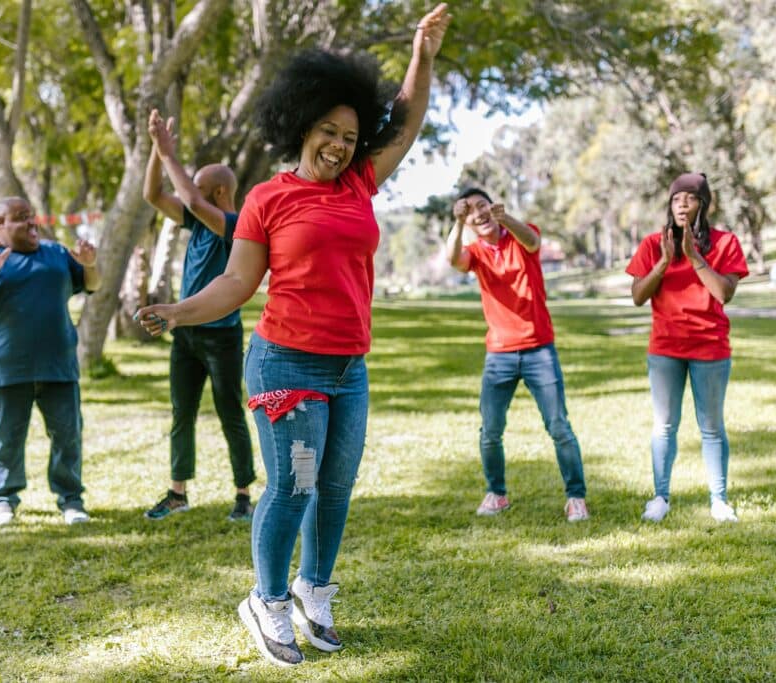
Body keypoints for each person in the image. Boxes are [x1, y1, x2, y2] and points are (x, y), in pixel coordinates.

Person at [136, 4, 451, 667]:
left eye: (349, 136)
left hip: (348, 370)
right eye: (328, 131)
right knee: (295, 485)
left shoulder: (361, 182)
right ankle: (268, 600)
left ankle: (315, 590)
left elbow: (409, 118)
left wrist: (422, 53)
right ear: (302, 126)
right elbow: (236, 284)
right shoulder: (266, 199)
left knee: (334, 488)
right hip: (288, 367)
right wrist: (178, 309)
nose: (339, 144)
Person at [0, 197, 101, 526]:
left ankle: (71, 498)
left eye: (32, 216)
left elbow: (92, 285)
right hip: (7, 369)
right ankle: (4, 499)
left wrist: (90, 265)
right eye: (22, 218)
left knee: (68, 435)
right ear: (0, 224)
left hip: (58, 365)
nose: (32, 223)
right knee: (6, 438)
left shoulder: (57, 253)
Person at [445, 187, 589, 522]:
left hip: (539, 348)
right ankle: (496, 493)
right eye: (471, 212)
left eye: (483, 206)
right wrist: (456, 223)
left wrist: (504, 217)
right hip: (500, 355)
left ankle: (576, 497)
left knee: (558, 426)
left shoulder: (522, 236)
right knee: (490, 430)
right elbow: (455, 261)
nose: (478, 214)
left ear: (493, 207)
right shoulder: (475, 252)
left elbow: (533, 241)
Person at [140, 108, 257, 522]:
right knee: (181, 412)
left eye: (201, 188)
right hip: (185, 333)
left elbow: (188, 196)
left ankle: (243, 493)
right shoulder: (198, 218)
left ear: (219, 194)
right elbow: (153, 196)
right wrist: (157, 151)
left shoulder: (234, 223)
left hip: (221, 335)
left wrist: (170, 152)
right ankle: (178, 492)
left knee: (230, 413)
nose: (192, 193)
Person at [626, 172, 748, 523]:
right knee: (664, 425)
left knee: (711, 426)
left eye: (690, 198)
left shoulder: (725, 244)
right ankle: (660, 496)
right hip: (665, 347)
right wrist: (665, 261)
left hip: (710, 347)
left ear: (703, 205)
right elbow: (637, 296)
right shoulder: (652, 244)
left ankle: (719, 500)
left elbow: (724, 293)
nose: (682, 203)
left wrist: (694, 256)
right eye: (677, 197)